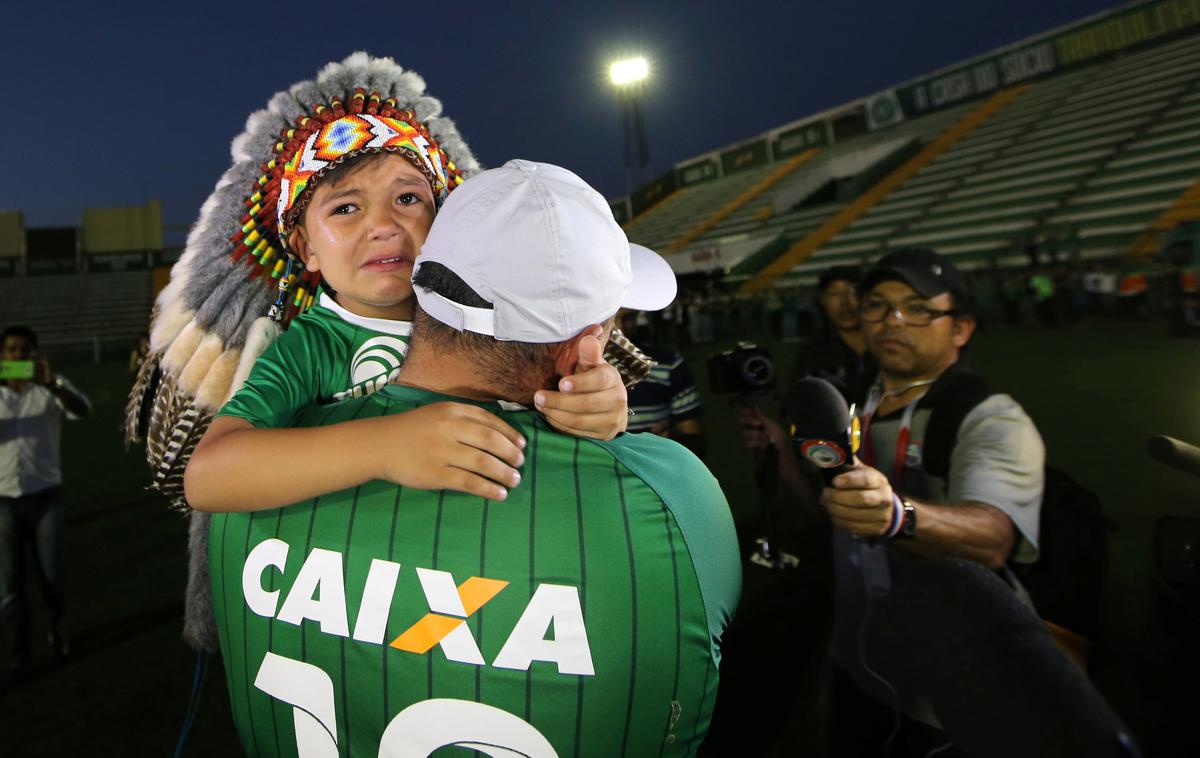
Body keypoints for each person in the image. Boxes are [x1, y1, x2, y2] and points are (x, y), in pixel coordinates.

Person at [206, 160, 742, 756]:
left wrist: (597, 404)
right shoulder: (307, 352)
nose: (384, 226)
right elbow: (209, 472)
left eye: (408, 199)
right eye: (346, 208)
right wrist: (385, 444)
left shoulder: (255, 497)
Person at [821, 247, 1045, 756]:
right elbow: (828, 507)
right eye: (877, 305)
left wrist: (898, 515)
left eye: (918, 307)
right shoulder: (853, 402)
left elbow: (993, 538)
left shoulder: (990, 417)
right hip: (854, 661)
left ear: (960, 329)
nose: (892, 320)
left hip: (953, 685)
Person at [0, 326, 91, 681]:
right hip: (3, 500)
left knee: (52, 576)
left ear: (36, 354)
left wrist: (52, 384)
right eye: (10, 350)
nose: (17, 356)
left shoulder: (52, 385)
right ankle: (18, 652)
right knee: (8, 586)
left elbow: (82, 410)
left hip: (46, 497)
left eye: (24, 350)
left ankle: (57, 631)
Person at [617, 309, 705, 457]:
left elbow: (695, 440)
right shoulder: (570, 371)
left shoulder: (668, 364)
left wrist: (673, 441)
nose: (619, 329)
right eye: (608, 317)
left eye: (628, 317)